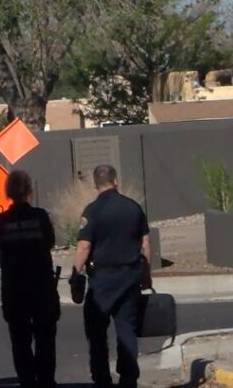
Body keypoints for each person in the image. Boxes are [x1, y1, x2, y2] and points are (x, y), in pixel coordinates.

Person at [72, 165, 151, 388]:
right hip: (129, 276)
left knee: (96, 332)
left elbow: (84, 246)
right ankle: (128, 377)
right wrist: (146, 275)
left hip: (102, 281)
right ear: (115, 180)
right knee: (127, 329)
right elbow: (145, 243)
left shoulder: (92, 211)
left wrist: (75, 274)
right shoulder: (133, 208)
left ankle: (102, 378)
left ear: (95, 184)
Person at [0, 170, 59, 388]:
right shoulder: (40, 217)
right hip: (41, 285)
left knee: (20, 339)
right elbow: (49, 242)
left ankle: (27, 381)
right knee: (45, 336)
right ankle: (46, 380)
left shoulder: (1, 221)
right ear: (29, 191)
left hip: (14, 287)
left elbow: (2, 247)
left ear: (8, 192)